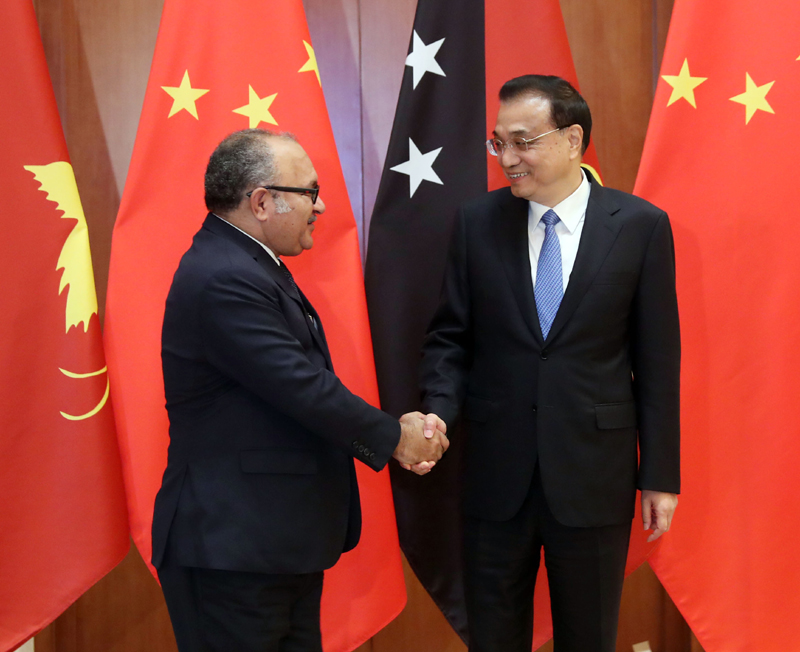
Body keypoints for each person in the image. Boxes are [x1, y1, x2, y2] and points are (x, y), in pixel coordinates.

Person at [152, 128, 448, 652]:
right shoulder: (225, 276)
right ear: (262, 202)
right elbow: (300, 387)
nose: (321, 205)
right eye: (309, 192)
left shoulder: (248, 265)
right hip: (232, 551)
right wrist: (395, 438)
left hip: (268, 543)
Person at [419, 75, 680, 652]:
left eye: (523, 142)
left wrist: (659, 474)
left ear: (572, 139)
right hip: (495, 474)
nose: (507, 158)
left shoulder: (639, 226)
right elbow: (449, 338)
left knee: (588, 637)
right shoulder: (476, 222)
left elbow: (658, 360)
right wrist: (437, 411)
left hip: (594, 475)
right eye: (499, 143)